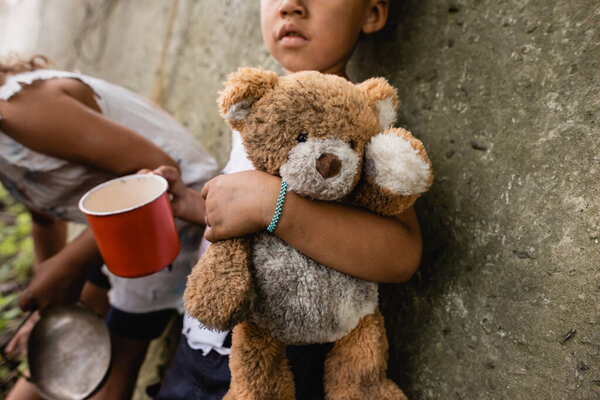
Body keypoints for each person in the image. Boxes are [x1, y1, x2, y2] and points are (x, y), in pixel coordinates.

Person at [154, 1, 422, 399]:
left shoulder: (364, 133)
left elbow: (402, 255)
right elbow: (241, 221)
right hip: (201, 345)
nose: (290, 5)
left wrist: (272, 204)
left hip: (287, 361)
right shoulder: (257, 114)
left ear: (371, 14)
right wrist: (192, 205)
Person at [0, 56, 219, 400]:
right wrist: (50, 299)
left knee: (111, 372)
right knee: (63, 347)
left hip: (174, 211)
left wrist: (68, 265)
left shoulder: (18, 110)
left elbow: (154, 171)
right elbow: (45, 216)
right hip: (116, 228)